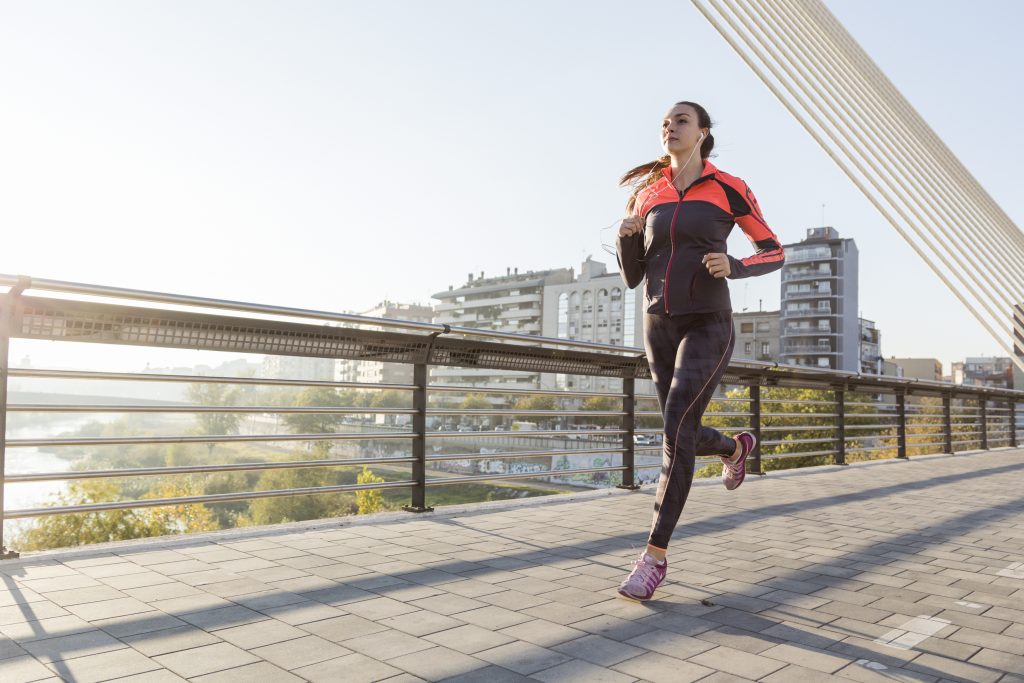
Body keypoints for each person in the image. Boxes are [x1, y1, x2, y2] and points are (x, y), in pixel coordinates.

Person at [615, 101, 785, 601]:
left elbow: (772, 249)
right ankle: (734, 447)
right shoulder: (649, 195)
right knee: (680, 427)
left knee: (675, 427)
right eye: (665, 121)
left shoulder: (728, 187)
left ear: (702, 132)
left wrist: (735, 265)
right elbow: (632, 277)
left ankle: (653, 557)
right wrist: (627, 240)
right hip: (656, 325)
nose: (670, 126)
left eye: (681, 120)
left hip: (709, 322)